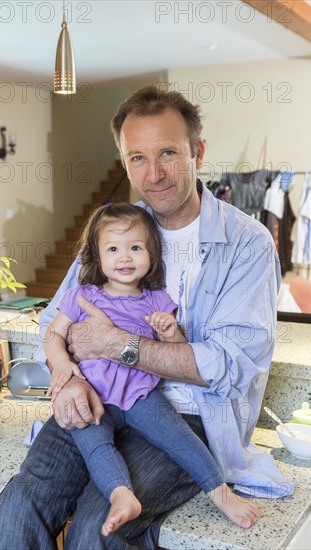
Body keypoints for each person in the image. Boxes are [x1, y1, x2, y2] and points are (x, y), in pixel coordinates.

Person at [0, 86, 293, 550]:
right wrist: (68, 377)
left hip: (187, 416)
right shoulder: (117, 232)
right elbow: (54, 323)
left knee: (95, 524)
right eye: (138, 158)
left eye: (168, 152)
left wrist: (114, 344)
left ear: (198, 152)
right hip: (99, 396)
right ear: (125, 163)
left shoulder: (248, 244)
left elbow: (229, 367)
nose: (155, 173)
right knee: (22, 500)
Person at [44, 202, 259, 537]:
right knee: (95, 445)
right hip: (94, 395)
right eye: (113, 249)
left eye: (135, 248)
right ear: (97, 257)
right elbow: (52, 333)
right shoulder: (82, 295)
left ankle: (220, 493)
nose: (125, 257)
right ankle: (122, 495)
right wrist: (61, 364)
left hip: (142, 395)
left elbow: (179, 356)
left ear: (151, 253)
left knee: (178, 437)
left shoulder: (157, 299)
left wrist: (171, 331)